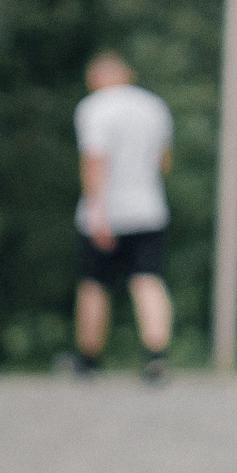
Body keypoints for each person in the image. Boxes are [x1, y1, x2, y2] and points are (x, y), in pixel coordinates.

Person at [66, 52, 175, 383]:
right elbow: (164, 161)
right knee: (147, 279)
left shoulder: (95, 107)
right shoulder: (154, 106)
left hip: (106, 212)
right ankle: (156, 355)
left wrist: (97, 211)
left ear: (95, 77)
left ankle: (88, 358)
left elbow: (94, 160)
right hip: (148, 208)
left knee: (95, 284)